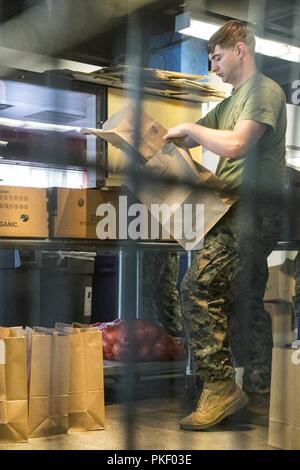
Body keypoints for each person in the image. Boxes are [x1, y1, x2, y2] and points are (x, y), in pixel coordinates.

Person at [163, 20, 287, 430]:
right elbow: (195, 138)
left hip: (251, 211)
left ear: (240, 49)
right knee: (245, 304)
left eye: (216, 56)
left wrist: (190, 128)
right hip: (232, 209)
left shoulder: (263, 91)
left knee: (197, 287)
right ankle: (263, 392)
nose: (212, 65)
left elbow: (236, 143)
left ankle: (219, 387)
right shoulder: (232, 100)